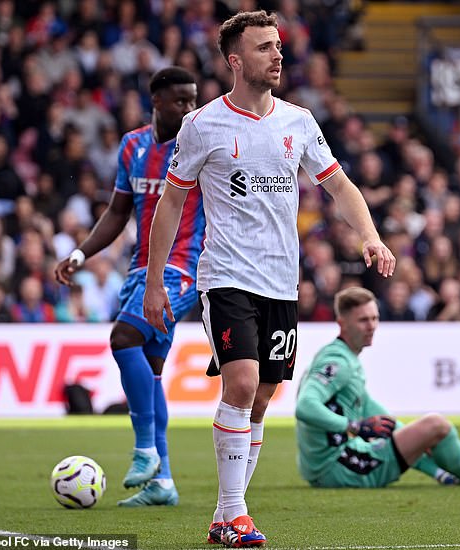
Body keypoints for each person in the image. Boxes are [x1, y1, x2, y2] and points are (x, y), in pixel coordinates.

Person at [142, 11, 395, 548]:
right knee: (238, 385)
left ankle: (222, 515)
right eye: (264, 48)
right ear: (235, 61)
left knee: (260, 398)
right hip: (227, 276)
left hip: (281, 283)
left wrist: (370, 235)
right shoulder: (204, 124)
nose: (277, 55)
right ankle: (236, 513)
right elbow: (171, 202)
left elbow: (341, 187)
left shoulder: (299, 122)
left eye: (278, 46)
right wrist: (155, 281)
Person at [54, 67, 203, 507]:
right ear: (156, 101)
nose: (189, 109)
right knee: (152, 372)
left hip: (183, 270)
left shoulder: (200, 145)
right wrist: (81, 254)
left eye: (193, 99)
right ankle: (164, 483)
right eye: (180, 101)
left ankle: (144, 450)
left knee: (124, 337)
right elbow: (118, 213)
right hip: (141, 269)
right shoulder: (133, 145)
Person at [295, 286, 460, 490]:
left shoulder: (344, 358)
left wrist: (420, 443)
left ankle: (446, 475)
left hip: (329, 467)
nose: (372, 326)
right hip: (343, 468)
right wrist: (355, 427)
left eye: (375, 318)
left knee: (409, 430)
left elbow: (380, 417)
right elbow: (305, 406)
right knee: (436, 425)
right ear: (342, 323)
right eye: (363, 320)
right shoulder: (339, 362)